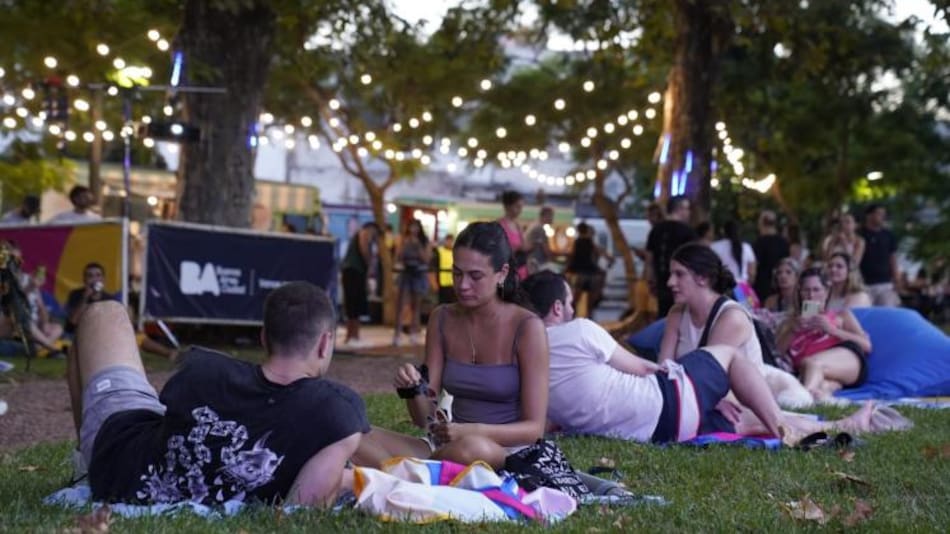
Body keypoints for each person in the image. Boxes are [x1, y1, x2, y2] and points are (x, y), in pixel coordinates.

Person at [66, 282, 368, 505]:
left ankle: (86, 463)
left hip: (122, 457)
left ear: (264, 338)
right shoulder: (337, 413)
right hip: (144, 444)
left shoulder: (203, 371)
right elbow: (303, 510)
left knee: (104, 312)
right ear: (325, 343)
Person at [522, 270, 887, 444]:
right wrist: (695, 385)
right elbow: (645, 367)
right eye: (569, 303)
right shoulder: (581, 330)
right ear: (557, 308)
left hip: (656, 432)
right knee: (728, 355)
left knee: (743, 419)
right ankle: (785, 426)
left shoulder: (526, 363)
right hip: (663, 402)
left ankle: (843, 428)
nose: (572, 309)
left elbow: (550, 419)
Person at [352, 222, 548, 470]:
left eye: (475, 276)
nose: (463, 285)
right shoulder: (442, 318)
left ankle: (407, 472)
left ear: (502, 273)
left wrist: (471, 431)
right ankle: (418, 473)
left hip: (503, 450)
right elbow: (425, 418)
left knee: (471, 448)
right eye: (456, 273)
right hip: (445, 446)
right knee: (352, 434)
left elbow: (533, 429)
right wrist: (413, 389)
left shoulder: (527, 327)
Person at [658, 243, 812, 408]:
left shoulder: (731, 317)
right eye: (671, 274)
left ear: (702, 278)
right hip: (703, 394)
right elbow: (664, 368)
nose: (670, 282)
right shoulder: (677, 313)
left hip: (748, 400)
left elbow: (706, 377)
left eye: (679, 274)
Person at [777, 268, 872, 402]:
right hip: (811, 371)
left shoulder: (841, 315)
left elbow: (867, 346)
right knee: (822, 387)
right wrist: (793, 330)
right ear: (800, 293)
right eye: (806, 290)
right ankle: (822, 395)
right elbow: (777, 353)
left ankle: (802, 399)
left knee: (811, 362)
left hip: (848, 360)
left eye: (816, 290)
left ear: (826, 292)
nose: (811, 296)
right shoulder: (790, 322)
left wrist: (833, 330)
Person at [645, 195, 696, 317]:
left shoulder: (656, 230)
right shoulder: (688, 232)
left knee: (663, 314)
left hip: (661, 282)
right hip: (682, 283)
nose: (689, 213)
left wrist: (650, 279)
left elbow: (649, 259)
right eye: (687, 209)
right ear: (680, 209)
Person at [393, 219, 433, 346]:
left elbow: (426, 259)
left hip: (418, 273)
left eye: (415, 227)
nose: (413, 230)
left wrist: (418, 245)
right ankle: (397, 334)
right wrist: (404, 244)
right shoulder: (403, 239)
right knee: (400, 304)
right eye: (411, 227)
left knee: (416, 306)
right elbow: (398, 256)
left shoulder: (424, 241)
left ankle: (414, 333)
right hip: (406, 273)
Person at [340, 222, 379, 347]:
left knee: (353, 305)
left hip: (354, 272)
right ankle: (352, 336)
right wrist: (369, 264)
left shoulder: (361, 234)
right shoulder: (364, 233)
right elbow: (364, 249)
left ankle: (353, 335)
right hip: (354, 272)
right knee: (353, 304)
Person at [564, 222, 612, 317]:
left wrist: (566, 268)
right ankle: (590, 318)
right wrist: (609, 260)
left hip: (577, 273)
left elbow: (570, 256)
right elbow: (603, 253)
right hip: (591, 274)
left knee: (575, 301)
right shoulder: (590, 242)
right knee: (590, 304)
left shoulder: (576, 242)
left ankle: (571, 318)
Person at [858, 204, 901, 307]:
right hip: (863, 283)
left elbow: (893, 258)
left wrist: (897, 279)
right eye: (879, 214)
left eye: (883, 214)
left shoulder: (888, 235)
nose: (882, 217)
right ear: (869, 216)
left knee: (887, 313)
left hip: (885, 283)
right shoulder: (859, 234)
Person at [710, 220, 758, 306]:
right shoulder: (746, 247)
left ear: (724, 231)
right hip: (742, 289)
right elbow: (752, 273)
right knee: (746, 313)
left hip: (721, 289)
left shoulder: (715, 247)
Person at [64, 262, 119, 335]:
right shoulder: (75, 295)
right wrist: (85, 298)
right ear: (84, 280)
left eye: (98, 275)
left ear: (103, 279)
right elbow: (71, 325)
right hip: (81, 333)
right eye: (90, 276)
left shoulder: (110, 299)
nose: (94, 279)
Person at [752, 210, 790, 300]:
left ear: (762, 224)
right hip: (780, 284)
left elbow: (754, 265)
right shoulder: (784, 242)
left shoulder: (759, 243)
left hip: (762, 286)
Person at [497, 190, 528, 280]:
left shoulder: (518, 225)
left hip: (520, 269)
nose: (520, 210)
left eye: (521, 207)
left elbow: (524, 246)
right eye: (517, 207)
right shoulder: (500, 225)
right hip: (506, 271)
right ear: (508, 206)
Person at [524, 206, 555, 274]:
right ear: (546, 216)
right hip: (536, 262)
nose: (552, 219)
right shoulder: (539, 228)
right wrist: (553, 259)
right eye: (551, 216)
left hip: (531, 261)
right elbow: (545, 249)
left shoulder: (534, 225)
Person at [435, 234, 456, 304]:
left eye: (451, 241)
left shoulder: (455, 252)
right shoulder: (439, 251)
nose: (449, 243)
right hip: (442, 283)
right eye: (448, 241)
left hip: (452, 283)